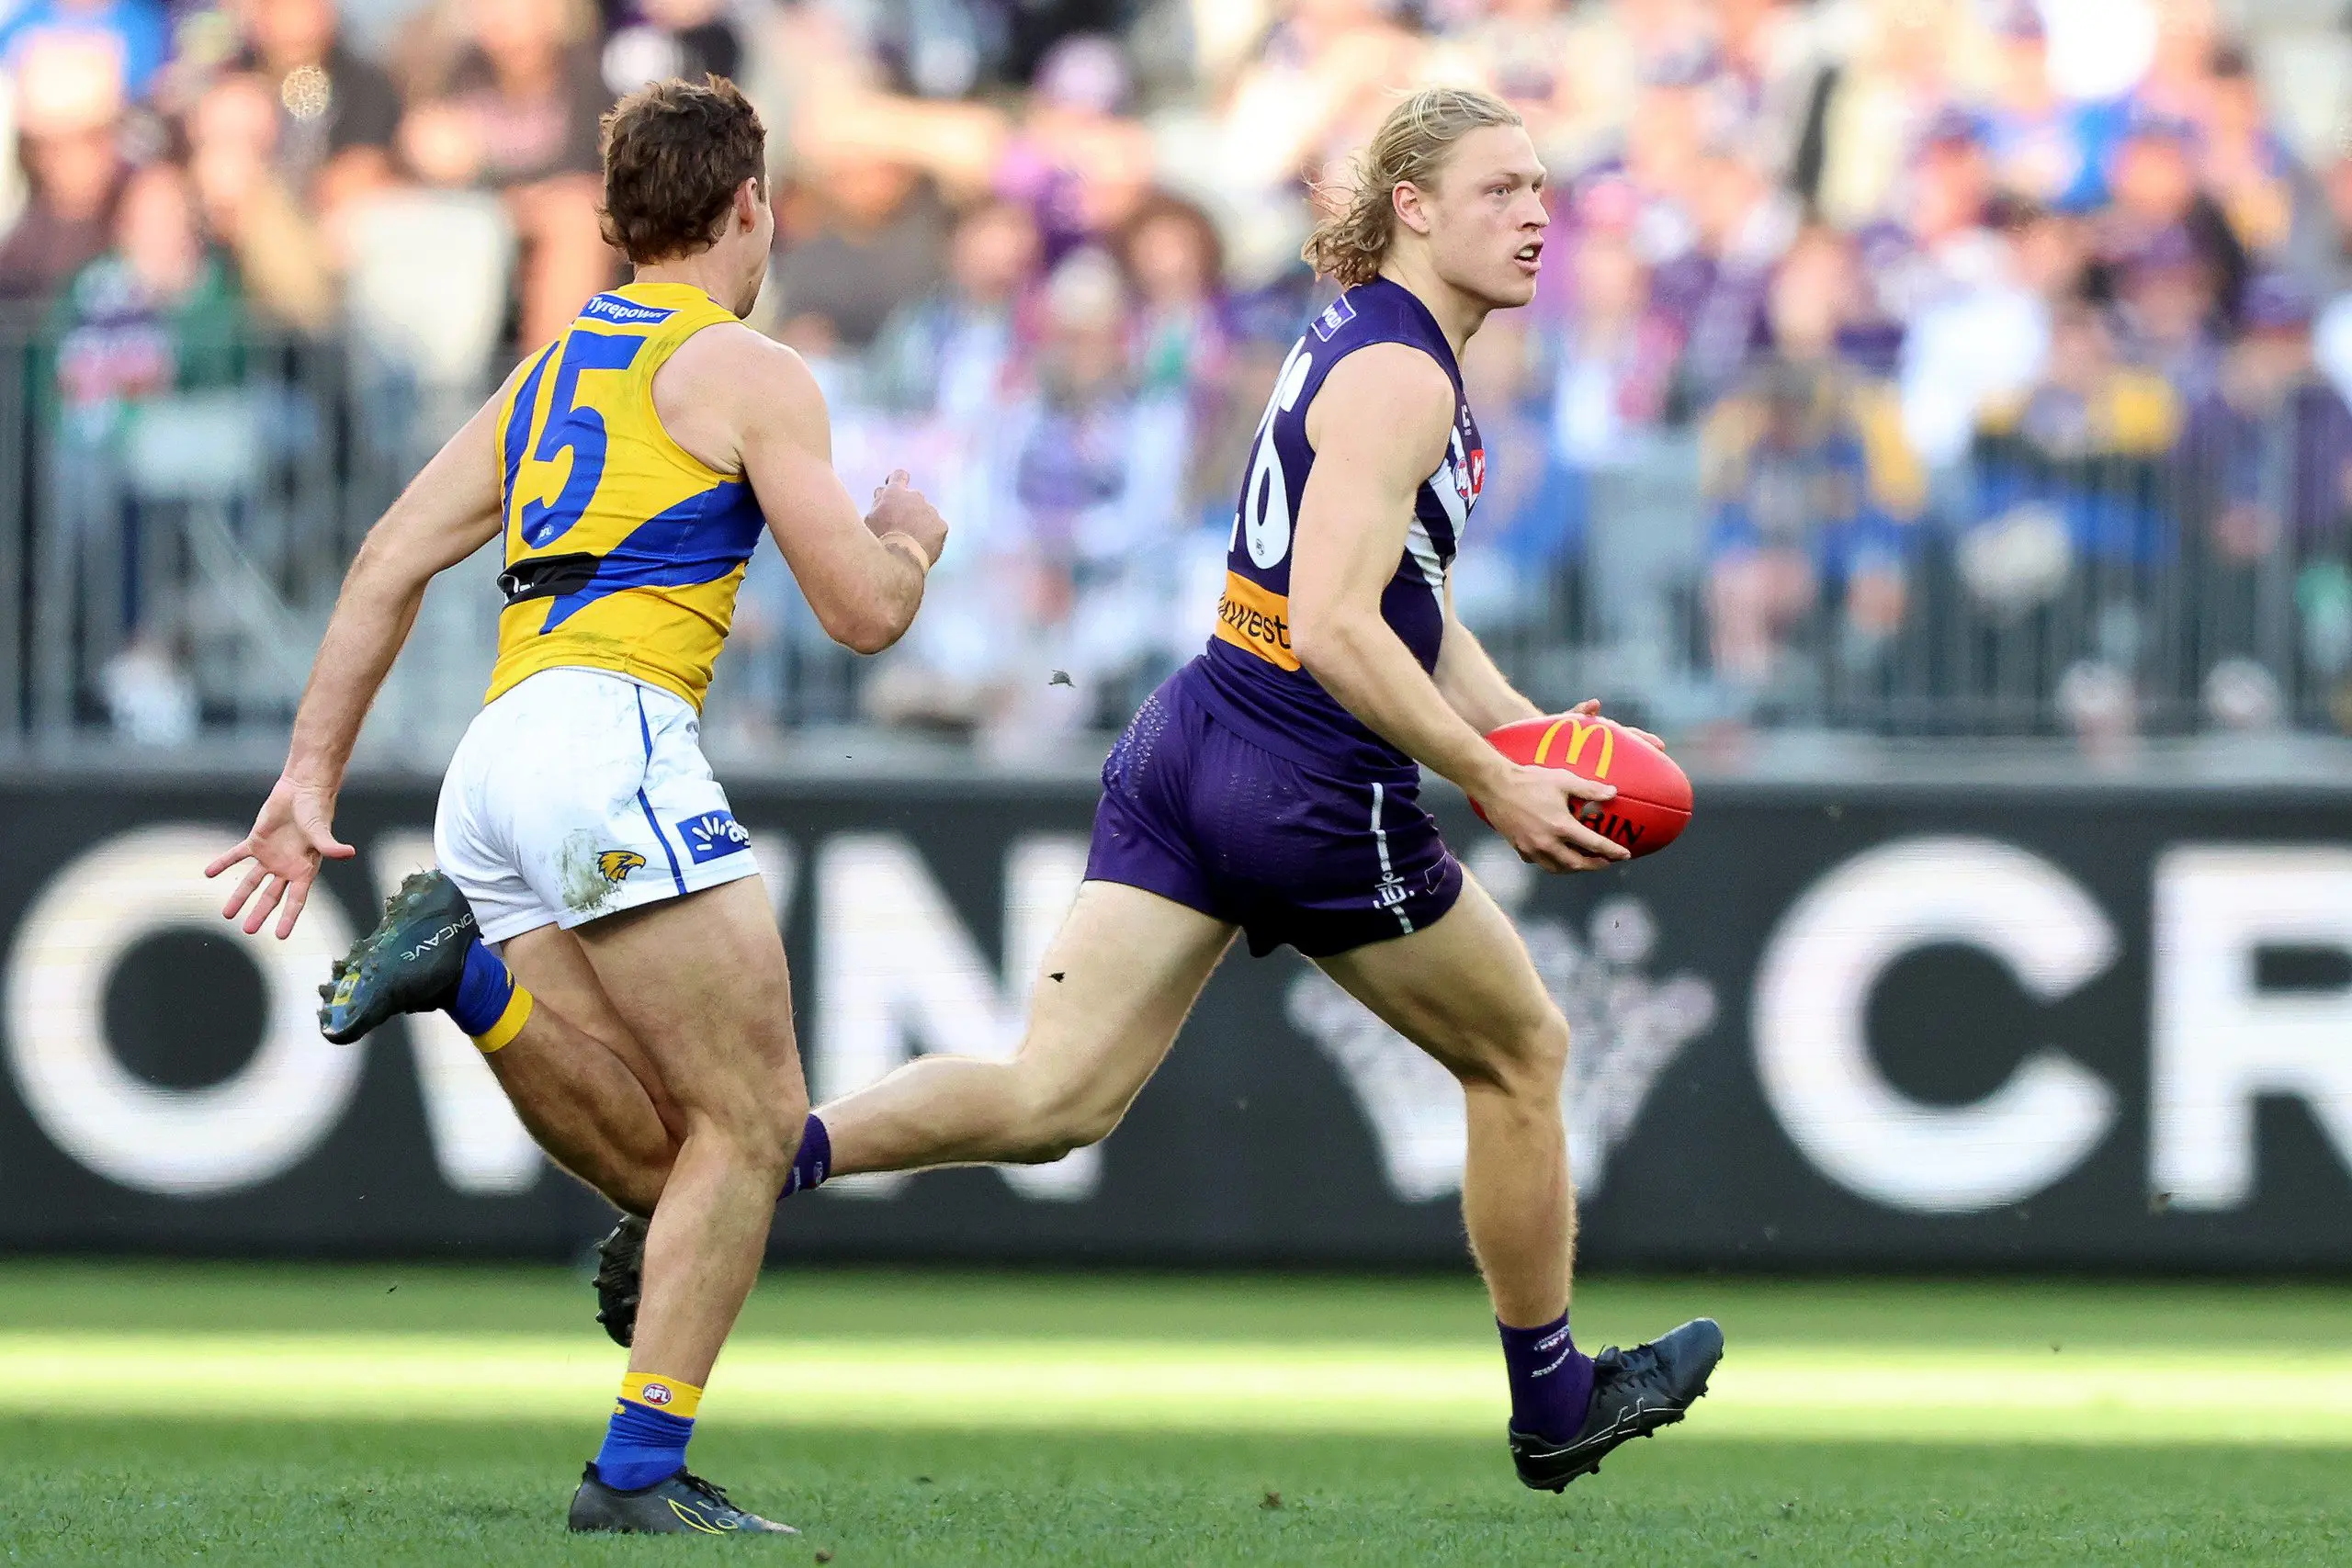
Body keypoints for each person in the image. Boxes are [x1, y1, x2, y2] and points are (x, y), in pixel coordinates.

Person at [326, 85, 1722, 1500]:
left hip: (1197, 735)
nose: (1539, 215)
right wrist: (1489, 773)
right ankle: (1552, 1400)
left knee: (1050, 1094)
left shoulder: (1371, 339)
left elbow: (1401, 596)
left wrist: (1521, 722)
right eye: (1503, 190)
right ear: (1411, 204)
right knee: (1525, 1054)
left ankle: (762, 1172)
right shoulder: (1408, 374)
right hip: (1311, 770)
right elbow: (1341, 625)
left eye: (1544, 189)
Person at [205, 75, 950, 1535]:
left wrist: (307, 780)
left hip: (496, 760)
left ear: (614, 223)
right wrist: (909, 536)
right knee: (762, 1123)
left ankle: (469, 977)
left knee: (678, 1156)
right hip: (613, 735)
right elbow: (862, 612)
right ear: (752, 204)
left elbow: (384, 558)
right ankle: (634, 1475)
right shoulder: (748, 368)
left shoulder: (550, 368)